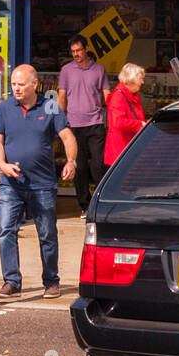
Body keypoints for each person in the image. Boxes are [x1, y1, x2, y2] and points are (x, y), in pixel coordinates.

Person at [0, 64, 78, 299]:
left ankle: (51, 281)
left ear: (34, 85)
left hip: (42, 184)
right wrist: (2, 165)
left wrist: (71, 161)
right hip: (12, 183)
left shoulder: (50, 106)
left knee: (47, 233)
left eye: (20, 84)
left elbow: (67, 136)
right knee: (6, 230)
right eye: (13, 84)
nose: (16, 89)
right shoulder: (4, 108)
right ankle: (12, 281)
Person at [57, 34, 110, 219]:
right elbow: (62, 97)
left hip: (95, 123)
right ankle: (85, 206)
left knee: (98, 166)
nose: (76, 54)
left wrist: (113, 117)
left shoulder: (99, 69)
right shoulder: (66, 70)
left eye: (79, 50)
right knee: (78, 168)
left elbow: (107, 95)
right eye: (73, 52)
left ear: (86, 48)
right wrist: (60, 122)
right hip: (73, 125)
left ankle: (101, 202)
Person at [105, 63, 147, 167]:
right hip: (121, 149)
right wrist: (140, 125)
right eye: (140, 79)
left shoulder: (132, 94)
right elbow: (118, 122)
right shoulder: (119, 96)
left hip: (129, 146)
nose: (142, 82)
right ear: (131, 80)